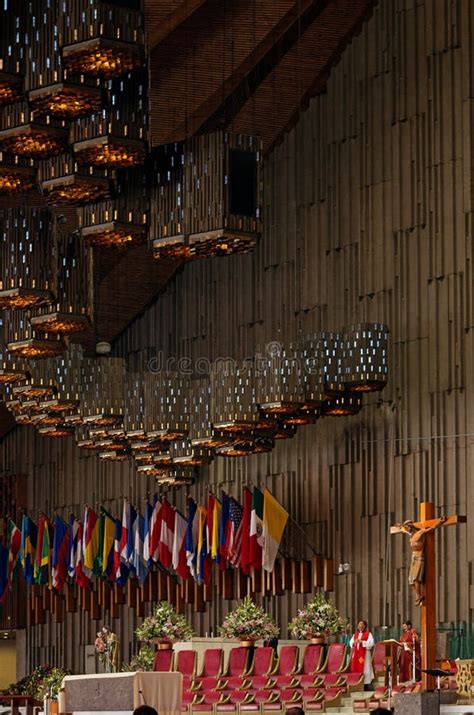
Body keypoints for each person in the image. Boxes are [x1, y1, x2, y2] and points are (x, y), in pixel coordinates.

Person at [393, 516, 447, 605]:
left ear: (411, 526)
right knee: (410, 581)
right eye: (406, 527)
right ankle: (418, 596)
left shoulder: (420, 532)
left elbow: (431, 528)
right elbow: (401, 528)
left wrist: (439, 522)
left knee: (415, 579)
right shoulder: (410, 534)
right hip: (413, 558)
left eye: (408, 526)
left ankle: (418, 596)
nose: (407, 528)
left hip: (419, 558)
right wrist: (399, 525)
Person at [349, 620, 374, 689]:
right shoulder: (355, 634)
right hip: (356, 654)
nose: (360, 626)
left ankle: (366, 685)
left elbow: (371, 643)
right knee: (356, 667)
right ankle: (356, 683)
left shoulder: (368, 634)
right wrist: (354, 642)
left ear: (365, 626)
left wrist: (362, 642)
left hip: (365, 654)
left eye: (361, 624)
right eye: (359, 624)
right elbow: (351, 643)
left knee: (365, 668)